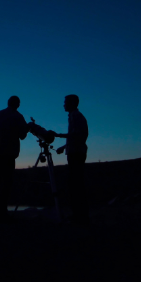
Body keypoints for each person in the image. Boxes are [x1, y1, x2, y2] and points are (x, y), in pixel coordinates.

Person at [50, 94, 89, 226]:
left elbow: (77, 135)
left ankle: (79, 216)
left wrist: (58, 135)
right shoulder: (74, 116)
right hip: (75, 152)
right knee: (75, 184)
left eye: (65, 102)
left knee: (76, 184)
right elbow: (77, 136)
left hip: (76, 153)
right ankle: (78, 214)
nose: (64, 104)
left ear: (72, 103)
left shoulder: (75, 116)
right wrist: (64, 146)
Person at [0, 96, 30, 222]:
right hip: (8, 154)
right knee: (6, 183)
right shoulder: (18, 117)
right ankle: (2, 212)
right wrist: (28, 127)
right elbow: (22, 135)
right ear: (18, 104)